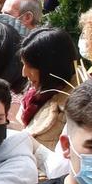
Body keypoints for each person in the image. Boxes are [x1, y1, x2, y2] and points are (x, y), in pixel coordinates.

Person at [17, 27, 78, 155]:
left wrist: (23, 139)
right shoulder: (36, 92)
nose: (24, 73)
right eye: (23, 64)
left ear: (51, 67)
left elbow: (60, 164)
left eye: (31, 67)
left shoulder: (76, 108)